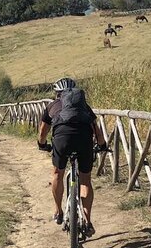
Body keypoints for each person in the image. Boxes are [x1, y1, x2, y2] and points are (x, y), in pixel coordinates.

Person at [37, 77, 106, 235]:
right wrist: (102, 145)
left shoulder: (52, 106)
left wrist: (42, 145)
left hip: (62, 138)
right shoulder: (84, 107)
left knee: (57, 173)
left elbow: (43, 132)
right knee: (85, 180)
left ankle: (58, 211)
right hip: (84, 138)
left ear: (57, 93)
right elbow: (96, 129)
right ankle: (87, 222)